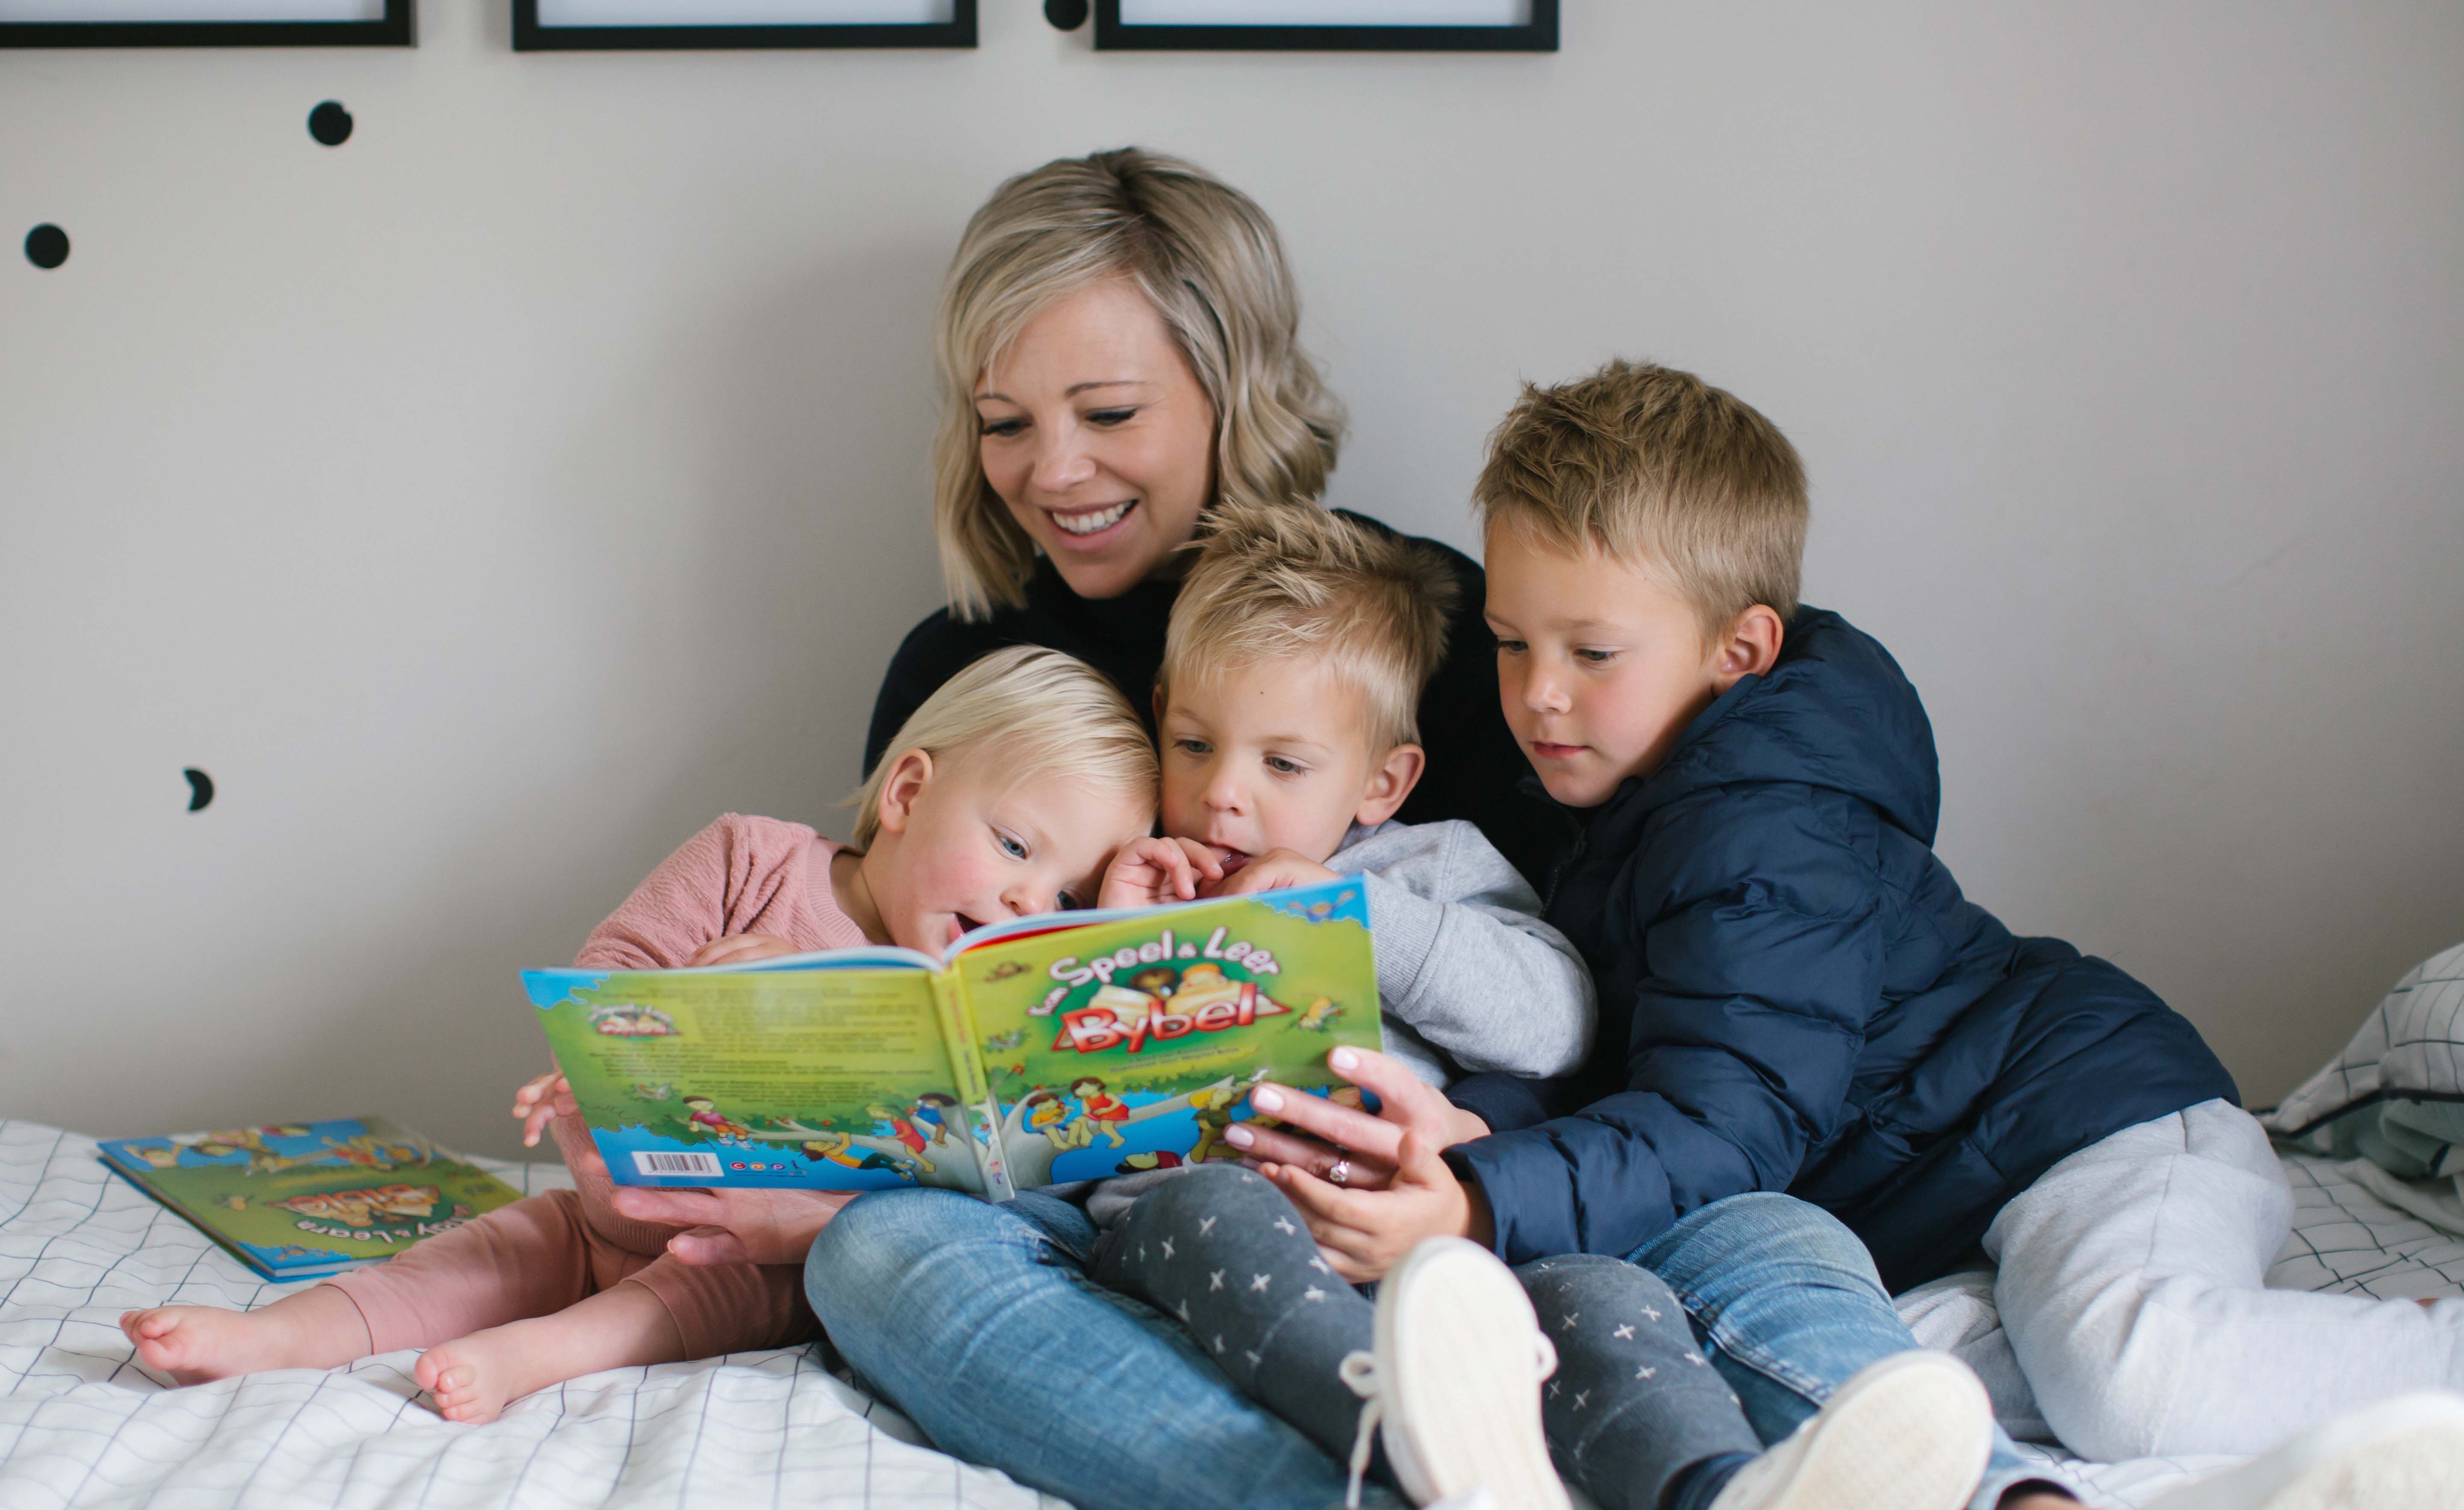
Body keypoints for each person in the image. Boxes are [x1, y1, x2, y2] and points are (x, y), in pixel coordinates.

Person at [1231, 359, 2464, 1506]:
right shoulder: (1615, 798)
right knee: (1854, 1396)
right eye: (1512, 644)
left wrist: (1477, 1198)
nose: (1538, 693)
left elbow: (1728, 1118)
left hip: (2087, 1127)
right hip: (1937, 1214)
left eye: (1592, 652)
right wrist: (1475, 1129)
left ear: (1741, 649)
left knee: (2124, 1375)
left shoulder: (1762, 830)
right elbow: (1643, 1057)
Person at [783, 500, 2007, 1510]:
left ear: (1385, 782)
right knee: (1201, 1212)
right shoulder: (1130, 875)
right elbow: (1041, 1111)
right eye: (1195, 746)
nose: (1226, 796)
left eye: (1283, 764)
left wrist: (1363, 922)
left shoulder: (1426, 871)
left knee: (1608, 1298)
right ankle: (1395, 1439)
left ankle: (1718, 1488)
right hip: (1207, 1224)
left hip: (1453, 1231)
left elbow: (1558, 1022)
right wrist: (1115, 933)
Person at [118, 646, 1155, 1424]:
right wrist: (687, 1016)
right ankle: (272, 1336)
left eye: (1066, 894)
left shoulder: (979, 1014)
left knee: (711, 1285)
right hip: (609, 1206)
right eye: (1013, 845)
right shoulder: (751, 857)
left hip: (748, 1260)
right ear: (909, 791)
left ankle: (533, 1360)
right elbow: (612, 974)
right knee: (488, 1250)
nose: (1028, 901)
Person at [864, 148, 1546, 879]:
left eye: (1110, 412)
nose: (1054, 472)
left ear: (1235, 398)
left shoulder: (1427, 632)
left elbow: (1554, 930)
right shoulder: (951, 672)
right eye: (1004, 423)